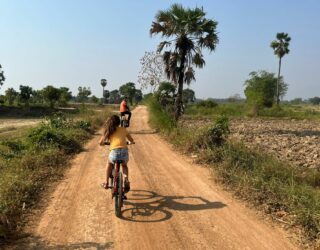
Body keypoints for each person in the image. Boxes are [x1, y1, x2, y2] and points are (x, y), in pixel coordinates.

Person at [99, 115, 135, 194]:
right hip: (124, 152)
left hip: (114, 153)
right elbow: (131, 140)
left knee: (109, 163)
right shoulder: (123, 129)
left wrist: (103, 143)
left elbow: (100, 143)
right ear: (119, 123)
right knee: (124, 165)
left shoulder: (109, 130)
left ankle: (106, 182)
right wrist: (131, 142)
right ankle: (126, 179)